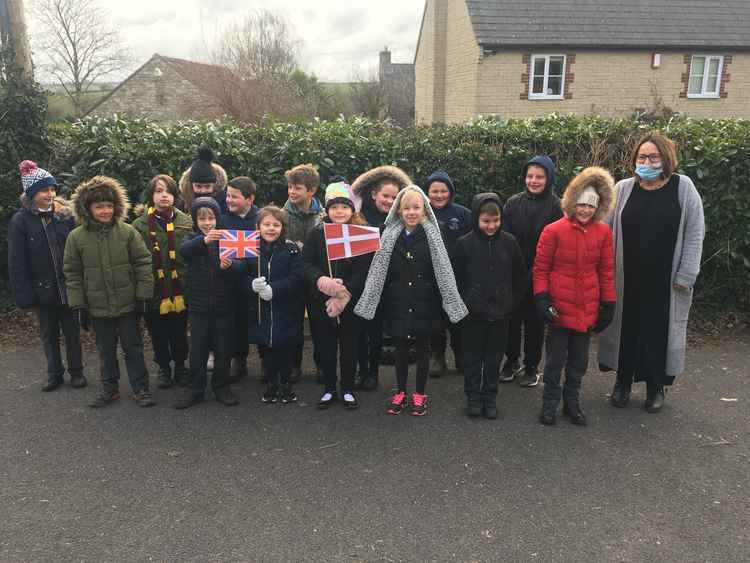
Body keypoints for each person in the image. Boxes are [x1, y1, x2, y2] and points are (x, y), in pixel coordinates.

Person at [599, 133, 705, 413]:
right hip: (627, 278)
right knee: (626, 332)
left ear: (666, 159)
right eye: (642, 157)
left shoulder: (683, 188)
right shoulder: (622, 189)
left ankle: (656, 387)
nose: (646, 162)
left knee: (658, 334)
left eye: (653, 157)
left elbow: (695, 233)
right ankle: (622, 383)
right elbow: (605, 232)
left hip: (666, 282)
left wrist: (686, 274)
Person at [355, 186, 468, 417]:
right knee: (401, 350)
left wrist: (448, 300)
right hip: (397, 301)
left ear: (425, 210)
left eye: (416, 207)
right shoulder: (388, 235)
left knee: (423, 349)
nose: (411, 212)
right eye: (406, 208)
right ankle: (400, 392)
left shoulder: (433, 236)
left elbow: (443, 271)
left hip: (425, 303)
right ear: (399, 210)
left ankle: (419, 393)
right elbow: (379, 270)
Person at [533, 167, 616, 426]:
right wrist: (542, 299)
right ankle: (549, 404)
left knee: (579, 362)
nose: (585, 210)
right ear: (572, 203)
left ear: (598, 207)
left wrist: (608, 303)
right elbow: (541, 269)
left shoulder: (603, 233)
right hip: (559, 307)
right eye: (581, 204)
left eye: (591, 206)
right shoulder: (553, 231)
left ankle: (572, 403)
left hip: (587, 308)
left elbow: (606, 270)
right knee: (555, 361)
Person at [63, 176, 155, 408]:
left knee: (133, 348)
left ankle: (141, 387)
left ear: (116, 206)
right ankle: (109, 388)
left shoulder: (127, 232)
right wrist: (78, 305)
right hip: (97, 306)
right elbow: (72, 273)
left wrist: (144, 295)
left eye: (108, 205)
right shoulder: (76, 237)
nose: (105, 211)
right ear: (87, 209)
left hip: (127, 304)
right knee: (105, 350)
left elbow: (143, 262)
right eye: (98, 206)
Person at [8, 160, 86, 392]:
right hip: (41, 290)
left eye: (52, 189)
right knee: (48, 334)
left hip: (68, 287)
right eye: (44, 190)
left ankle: (77, 372)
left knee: (72, 332)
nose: (50, 194)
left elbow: (77, 251)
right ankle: (54, 373)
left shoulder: (65, 217)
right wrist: (24, 294)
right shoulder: (20, 221)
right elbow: (17, 262)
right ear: (32, 193)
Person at [453, 193, 527, 419]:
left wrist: (511, 302)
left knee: (494, 359)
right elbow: (456, 278)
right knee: (473, 358)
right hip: (472, 314)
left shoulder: (510, 242)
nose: (491, 226)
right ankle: (473, 397)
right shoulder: (464, 244)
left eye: (495, 221)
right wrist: (465, 303)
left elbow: (521, 277)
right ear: (476, 218)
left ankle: (490, 396)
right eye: (486, 221)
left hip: (501, 314)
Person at [302, 182, 371, 410]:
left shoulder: (361, 234)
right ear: (327, 210)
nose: (339, 211)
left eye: (344, 207)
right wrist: (323, 281)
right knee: (325, 347)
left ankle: (348, 388)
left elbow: (365, 268)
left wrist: (345, 293)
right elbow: (306, 263)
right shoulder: (316, 233)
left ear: (352, 210)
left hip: (350, 303)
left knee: (350, 347)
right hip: (321, 301)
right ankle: (330, 388)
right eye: (334, 207)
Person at [500, 155, 562, 387]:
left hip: (541, 274)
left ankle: (532, 365)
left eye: (539, 177)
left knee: (536, 323)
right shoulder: (513, 203)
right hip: (514, 273)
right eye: (530, 176)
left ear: (549, 178)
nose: (534, 181)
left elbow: (558, 243)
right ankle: (511, 361)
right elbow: (504, 237)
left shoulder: (557, 205)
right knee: (511, 321)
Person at [176, 197, 243, 408]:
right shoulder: (191, 238)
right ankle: (196, 389)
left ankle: (222, 387)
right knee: (198, 349)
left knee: (224, 349)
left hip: (224, 305)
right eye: (202, 218)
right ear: (195, 220)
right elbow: (184, 251)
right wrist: (203, 241)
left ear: (218, 218)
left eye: (211, 218)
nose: (207, 223)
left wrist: (230, 265)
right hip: (198, 306)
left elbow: (243, 265)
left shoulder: (227, 238)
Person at [351, 165, 411, 389]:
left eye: (395, 197)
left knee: (376, 331)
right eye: (385, 195)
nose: (389, 200)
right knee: (358, 330)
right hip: (359, 282)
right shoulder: (357, 216)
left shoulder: (400, 219)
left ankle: (373, 373)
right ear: (374, 194)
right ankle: (360, 369)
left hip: (388, 284)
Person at [132, 175, 192, 390]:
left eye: (168, 191)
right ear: (151, 196)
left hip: (180, 289)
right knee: (157, 331)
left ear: (175, 196)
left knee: (179, 330)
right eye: (158, 191)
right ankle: (164, 368)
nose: (163, 195)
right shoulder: (138, 226)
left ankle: (181, 366)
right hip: (153, 290)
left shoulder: (186, 222)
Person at [246, 206, 305, 404]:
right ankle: (271, 384)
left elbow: (297, 277)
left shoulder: (291, 250)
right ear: (258, 227)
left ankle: (286, 384)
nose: (271, 228)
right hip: (261, 310)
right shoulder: (250, 249)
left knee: (285, 349)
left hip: (286, 308)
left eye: (276, 225)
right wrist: (251, 284)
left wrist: (275, 289)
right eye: (266, 224)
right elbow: (241, 275)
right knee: (267, 350)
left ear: (283, 228)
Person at [425, 170, 471, 377]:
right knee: (435, 320)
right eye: (434, 191)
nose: (439, 195)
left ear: (450, 192)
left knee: (458, 319)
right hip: (430, 276)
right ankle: (437, 356)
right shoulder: (421, 213)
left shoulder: (462, 214)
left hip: (458, 277)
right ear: (427, 193)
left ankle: (461, 355)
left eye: (443, 191)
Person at [283, 164, 323, 383]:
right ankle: (293, 366)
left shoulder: (324, 214)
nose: (291, 192)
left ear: (311, 190)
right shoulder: (283, 214)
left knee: (319, 325)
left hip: (316, 277)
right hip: (294, 277)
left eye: (297, 188)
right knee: (293, 323)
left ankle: (322, 367)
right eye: (289, 187)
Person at [219, 176, 260, 382]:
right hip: (232, 281)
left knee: (260, 320)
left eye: (234, 197)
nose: (229, 200)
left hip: (258, 280)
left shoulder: (261, 219)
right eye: (228, 195)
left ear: (249, 199)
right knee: (236, 322)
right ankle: (239, 360)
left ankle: (268, 362)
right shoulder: (223, 220)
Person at [178, 147, 229, 214]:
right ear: (191, 185)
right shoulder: (183, 204)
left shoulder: (225, 202)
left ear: (215, 185)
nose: (203, 191)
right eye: (198, 186)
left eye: (207, 187)